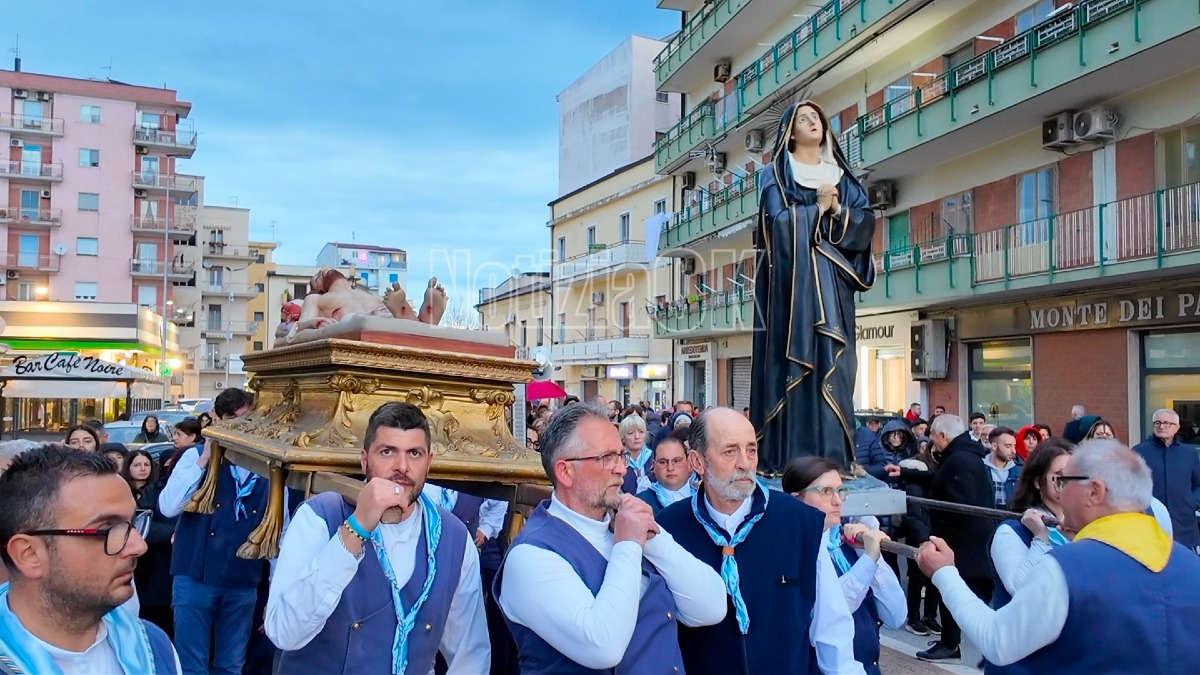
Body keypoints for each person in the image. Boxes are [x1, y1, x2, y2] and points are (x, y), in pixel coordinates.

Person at [918, 439, 1200, 672]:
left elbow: (998, 641)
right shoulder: (1189, 564)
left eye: (1065, 482)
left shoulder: (1069, 568)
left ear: (1094, 492)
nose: (1060, 494)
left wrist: (944, 574)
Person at [495, 403, 727, 672]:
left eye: (621, 456)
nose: (621, 469)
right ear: (565, 472)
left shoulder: (624, 524)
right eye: (607, 458)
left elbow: (711, 607)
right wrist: (628, 544)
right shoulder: (531, 555)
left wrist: (654, 539)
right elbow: (603, 646)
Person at [267, 402, 490, 673]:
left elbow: (470, 653)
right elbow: (284, 632)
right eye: (387, 452)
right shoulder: (320, 517)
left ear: (429, 463)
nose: (402, 466)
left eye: (414, 453)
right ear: (365, 460)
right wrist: (357, 528)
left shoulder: (454, 538)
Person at [657, 407, 863, 675]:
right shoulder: (669, 529)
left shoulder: (800, 522)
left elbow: (832, 630)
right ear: (697, 462)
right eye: (730, 451)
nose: (745, 463)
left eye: (751, 450)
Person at [750, 100, 876, 473]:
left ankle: (835, 456)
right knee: (793, 363)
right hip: (793, 291)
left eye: (817, 118)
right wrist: (815, 211)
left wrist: (837, 212)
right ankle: (789, 457)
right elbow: (775, 225)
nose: (813, 123)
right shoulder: (775, 175)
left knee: (836, 361)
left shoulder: (841, 175)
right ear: (790, 132)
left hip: (833, 282)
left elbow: (864, 223)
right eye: (804, 119)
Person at [0, 445, 180, 673]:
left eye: (133, 524)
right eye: (108, 528)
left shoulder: (154, 648)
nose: (139, 546)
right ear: (30, 554)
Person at [158, 389, 267, 675]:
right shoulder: (193, 457)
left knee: (232, 665)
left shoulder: (269, 466)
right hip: (195, 575)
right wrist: (205, 457)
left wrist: (278, 594)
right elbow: (169, 507)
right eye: (232, 418)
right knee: (191, 664)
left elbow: (279, 533)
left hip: (244, 580)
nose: (241, 425)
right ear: (218, 419)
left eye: (247, 418)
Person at [784, 456, 906, 675]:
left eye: (840, 491)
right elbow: (826, 614)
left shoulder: (844, 546)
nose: (838, 501)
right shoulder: (791, 553)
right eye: (825, 492)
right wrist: (868, 561)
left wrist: (866, 549)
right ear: (796, 499)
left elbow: (896, 615)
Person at [890, 414, 993, 663]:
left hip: (960, 541)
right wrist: (904, 472)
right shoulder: (963, 456)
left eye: (933, 435)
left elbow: (961, 503)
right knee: (955, 590)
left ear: (943, 436)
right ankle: (950, 641)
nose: (931, 441)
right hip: (967, 538)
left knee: (952, 590)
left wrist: (937, 536)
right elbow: (940, 480)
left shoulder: (959, 460)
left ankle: (951, 644)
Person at [122, 449, 177, 638]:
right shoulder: (151, 492)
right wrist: (173, 533)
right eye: (137, 465)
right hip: (151, 570)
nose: (142, 469)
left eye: (146, 464)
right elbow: (142, 524)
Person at [294, 269, 447, 335]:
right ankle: (421, 321)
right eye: (317, 278)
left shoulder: (367, 294)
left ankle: (420, 319)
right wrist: (316, 322)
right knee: (369, 317)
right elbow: (301, 325)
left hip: (384, 312)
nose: (323, 271)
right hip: (357, 320)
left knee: (388, 308)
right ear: (319, 290)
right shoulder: (317, 299)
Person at [1132, 408, 1200, 552]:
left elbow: (1198, 485)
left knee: (1186, 568)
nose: (1161, 426)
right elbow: (1130, 485)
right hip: (1150, 522)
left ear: (1177, 427)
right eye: (1158, 423)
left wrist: (1191, 502)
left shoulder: (1189, 454)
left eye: (1166, 423)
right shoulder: (1139, 452)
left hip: (1184, 524)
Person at [636, 435, 695, 515]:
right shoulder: (640, 503)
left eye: (677, 461)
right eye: (663, 462)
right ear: (654, 466)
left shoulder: (706, 498)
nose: (670, 468)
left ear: (689, 463)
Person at [984, 427, 1022, 510]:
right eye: (1008, 446)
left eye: (1014, 446)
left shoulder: (1020, 472)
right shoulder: (980, 469)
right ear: (994, 446)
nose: (1014, 451)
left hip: (1011, 520)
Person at [618, 414, 654, 493]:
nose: (637, 436)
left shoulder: (653, 457)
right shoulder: (618, 461)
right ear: (623, 438)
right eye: (631, 433)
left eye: (641, 432)